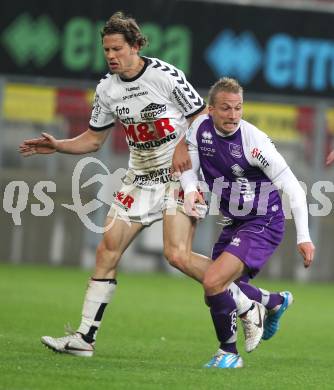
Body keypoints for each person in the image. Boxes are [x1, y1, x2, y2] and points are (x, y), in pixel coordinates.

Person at [19, 12, 266, 359]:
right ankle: (84, 339)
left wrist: (182, 146)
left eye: (117, 48)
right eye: (106, 49)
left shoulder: (164, 76)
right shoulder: (106, 89)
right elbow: (93, 140)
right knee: (107, 249)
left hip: (179, 175)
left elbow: (201, 119)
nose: (110, 56)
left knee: (176, 255)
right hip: (140, 177)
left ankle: (246, 302)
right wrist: (59, 144)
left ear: (135, 46)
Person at [180, 77, 315, 368]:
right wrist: (191, 191)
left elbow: (293, 187)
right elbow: (188, 169)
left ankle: (228, 354)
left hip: (263, 222)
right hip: (234, 222)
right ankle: (274, 302)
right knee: (218, 291)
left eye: (238, 108)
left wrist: (303, 236)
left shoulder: (254, 142)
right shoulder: (198, 129)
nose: (233, 115)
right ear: (211, 109)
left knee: (214, 281)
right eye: (226, 108)